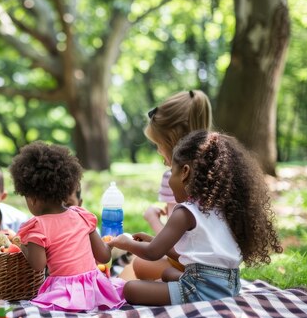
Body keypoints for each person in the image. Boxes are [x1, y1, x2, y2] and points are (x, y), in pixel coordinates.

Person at [109, 130, 283, 305]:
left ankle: (189, 295)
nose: (169, 180)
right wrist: (153, 240)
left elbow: (152, 253)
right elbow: (190, 254)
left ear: (184, 172)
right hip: (229, 286)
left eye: (172, 171)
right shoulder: (223, 209)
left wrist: (125, 243)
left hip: (200, 289)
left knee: (130, 289)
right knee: (167, 274)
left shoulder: (185, 212)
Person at [10, 141, 125, 312]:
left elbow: (38, 265)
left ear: (32, 198)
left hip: (64, 293)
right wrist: (110, 244)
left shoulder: (37, 226)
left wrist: (21, 245)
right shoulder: (82, 215)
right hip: (94, 289)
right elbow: (103, 256)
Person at [123, 90, 213, 281]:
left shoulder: (176, 180)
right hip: (219, 268)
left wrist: (152, 219)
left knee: (136, 264)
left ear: (172, 141)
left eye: (158, 144)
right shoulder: (218, 175)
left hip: (188, 266)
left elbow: (173, 245)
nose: (158, 150)